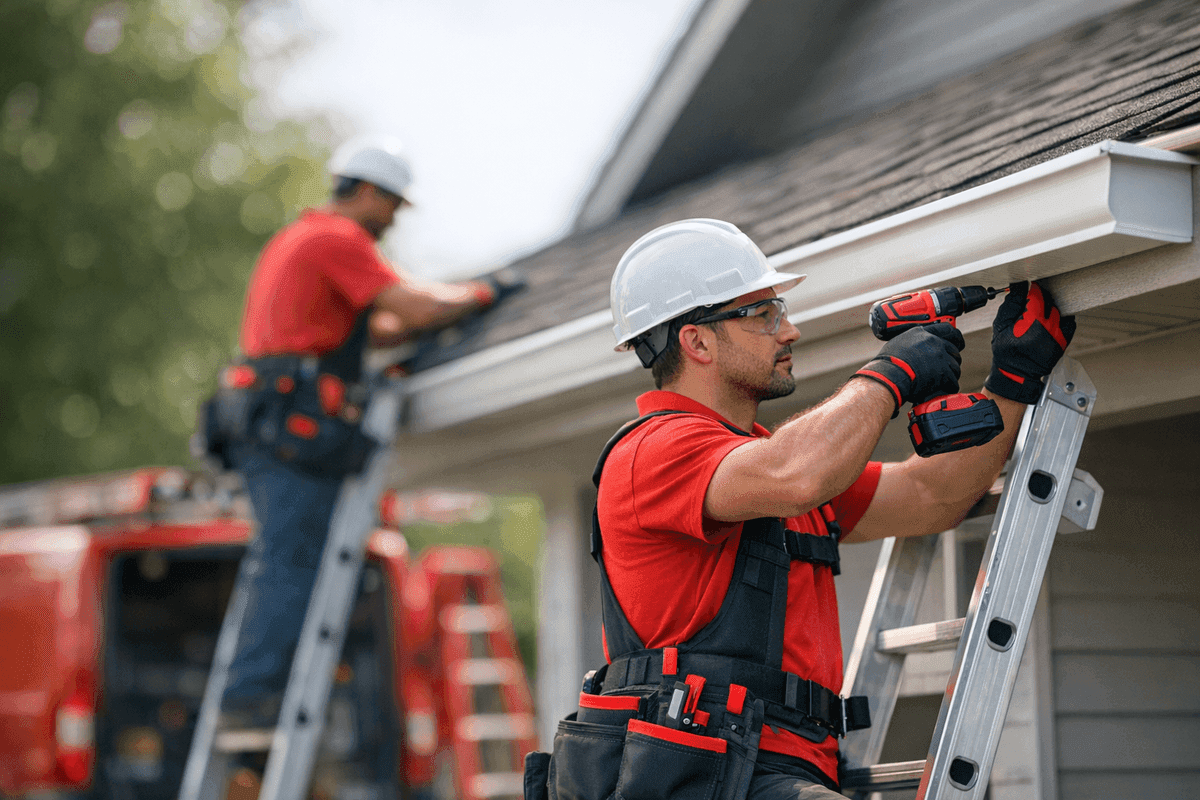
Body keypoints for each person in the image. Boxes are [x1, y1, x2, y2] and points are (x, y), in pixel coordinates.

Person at [543, 218, 1073, 800]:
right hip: (699, 769)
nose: (789, 330)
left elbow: (932, 497)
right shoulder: (653, 451)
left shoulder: (765, 472)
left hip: (772, 767)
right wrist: (890, 373)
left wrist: (1015, 381)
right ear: (697, 341)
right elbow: (798, 471)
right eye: (764, 314)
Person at [209, 136, 519, 730]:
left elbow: (379, 330)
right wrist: (483, 293)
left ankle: (251, 690)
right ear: (370, 192)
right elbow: (416, 308)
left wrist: (423, 324)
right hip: (289, 424)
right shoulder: (338, 237)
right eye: (395, 204)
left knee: (284, 557)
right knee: (294, 559)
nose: (396, 218)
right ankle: (254, 698)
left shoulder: (301, 238)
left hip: (262, 417)